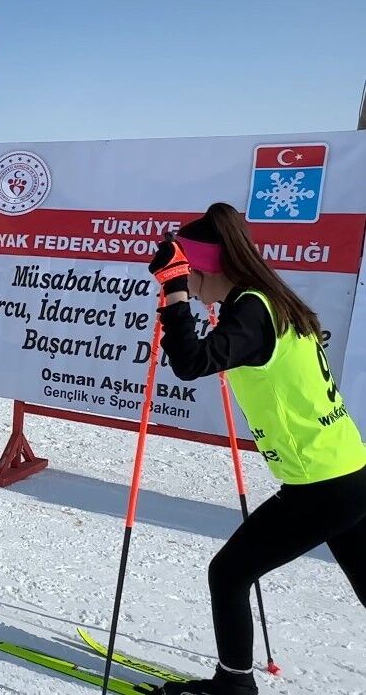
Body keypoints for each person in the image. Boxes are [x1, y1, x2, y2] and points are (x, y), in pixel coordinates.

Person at [146, 202, 366, 695]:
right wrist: (182, 288)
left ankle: (234, 686)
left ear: (203, 267)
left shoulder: (251, 311)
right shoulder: (265, 300)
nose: (187, 281)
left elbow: (191, 362)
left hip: (321, 484)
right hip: (349, 469)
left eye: (187, 270)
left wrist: (174, 293)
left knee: (228, 574)